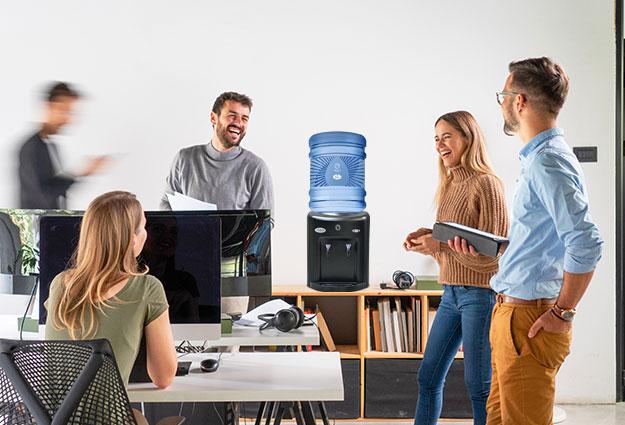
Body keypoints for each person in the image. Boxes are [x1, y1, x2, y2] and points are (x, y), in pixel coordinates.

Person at [481, 57, 603, 424]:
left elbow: (586, 243)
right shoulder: (538, 159)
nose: (501, 102)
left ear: (519, 101)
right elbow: (541, 240)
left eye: (503, 94)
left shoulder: (548, 161)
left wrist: (562, 312)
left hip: (529, 320)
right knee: (499, 419)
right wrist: (498, 246)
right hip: (511, 314)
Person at [404, 111, 508, 425]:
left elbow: (493, 257)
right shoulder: (450, 185)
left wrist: (441, 245)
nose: (440, 144)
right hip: (450, 293)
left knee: (479, 386)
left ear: (468, 137)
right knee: (428, 377)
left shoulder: (487, 184)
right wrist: (427, 238)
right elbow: (454, 244)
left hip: (481, 295)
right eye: (436, 138)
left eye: (447, 136)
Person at [45, 191, 177, 388]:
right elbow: (163, 378)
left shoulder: (59, 284)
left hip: (54, 417)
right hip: (107, 417)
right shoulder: (148, 288)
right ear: (133, 240)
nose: (146, 233)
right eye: (143, 227)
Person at [160, 91, 274, 211]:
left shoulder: (256, 167)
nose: (239, 123)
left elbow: (265, 222)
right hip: (189, 230)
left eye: (244, 118)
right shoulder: (184, 159)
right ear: (213, 118)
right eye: (232, 116)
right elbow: (167, 204)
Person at [18, 82, 109, 209]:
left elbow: (53, 187)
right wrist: (80, 173)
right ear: (48, 107)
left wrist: (82, 173)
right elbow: (42, 195)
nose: (67, 119)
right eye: (64, 111)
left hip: (49, 223)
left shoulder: (50, 146)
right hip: (36, 225)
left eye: (71, 113)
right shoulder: (31, 148)